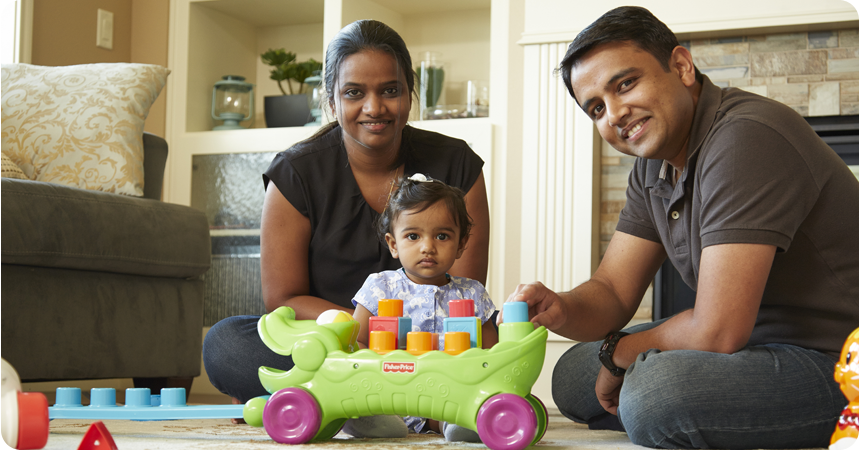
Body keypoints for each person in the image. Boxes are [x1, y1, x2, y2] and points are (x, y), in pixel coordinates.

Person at [503, 6, 859, 449]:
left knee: (656, 394)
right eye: (596, 108)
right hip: (752, 345)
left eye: (625, 84)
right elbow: (613, 290)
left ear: (681, 66)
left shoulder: (746, 137)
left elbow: (717, 330)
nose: (614, 114)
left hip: (836, 359)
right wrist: (560, 307)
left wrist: (622, 355)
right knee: (572, 376)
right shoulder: (654, 165)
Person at [201, 19, 491, 437]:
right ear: (333, 101)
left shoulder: (457, 164)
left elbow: (465, 285)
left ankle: (344, 403)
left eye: (390, 90)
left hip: (432, 345)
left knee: (484, 338)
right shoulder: (296, 172)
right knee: (227, 343)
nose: (374, 108)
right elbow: (282, 299)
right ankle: (415, 406)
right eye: (355, 93)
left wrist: (410, 339)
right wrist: (370, 330)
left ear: (411, 93)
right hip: (336, 342)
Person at [351, 173, 498, 441]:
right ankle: (375, 419)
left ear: (461, 244)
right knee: (377, 404)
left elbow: (489, 355)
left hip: (450, 391)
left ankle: (458, 423)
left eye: (442, 236)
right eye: (413, 236)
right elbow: (355, 343)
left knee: (459, 407)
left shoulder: (472, 293)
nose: (427, 247)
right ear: (393, 244)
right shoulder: (380, 286)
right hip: (394, 389)